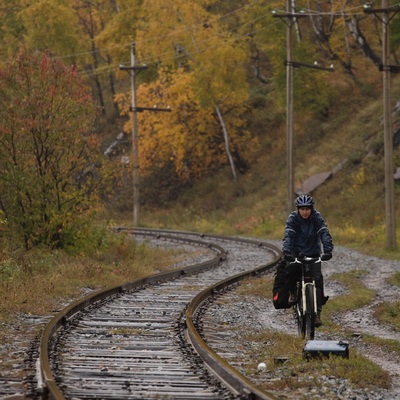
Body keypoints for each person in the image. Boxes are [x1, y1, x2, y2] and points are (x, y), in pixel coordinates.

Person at [282, 194, 333, 327]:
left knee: (318, 280)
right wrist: (287, 252)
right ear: (298, 209)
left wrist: (328, 250)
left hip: (313, 253)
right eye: (302, 209)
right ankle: (293, 292)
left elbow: (324, 232)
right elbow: (288, 234)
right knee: (291, 270)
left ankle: (317, 314)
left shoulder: (317, 217)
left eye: (307, 209)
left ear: (311, 209)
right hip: (296, 253)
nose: (305, 212)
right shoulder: (293, 218)